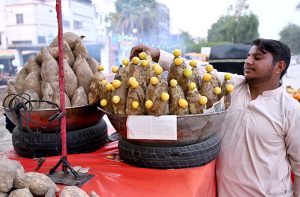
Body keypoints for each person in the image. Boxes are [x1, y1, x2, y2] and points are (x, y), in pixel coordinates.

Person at [130, 39, 300, 196]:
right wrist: (158, 54)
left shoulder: (291, 110)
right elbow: (195, 70)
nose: (248, 61)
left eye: (257, 57)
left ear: (279, 66)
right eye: (248, 56)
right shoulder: (232, 86)